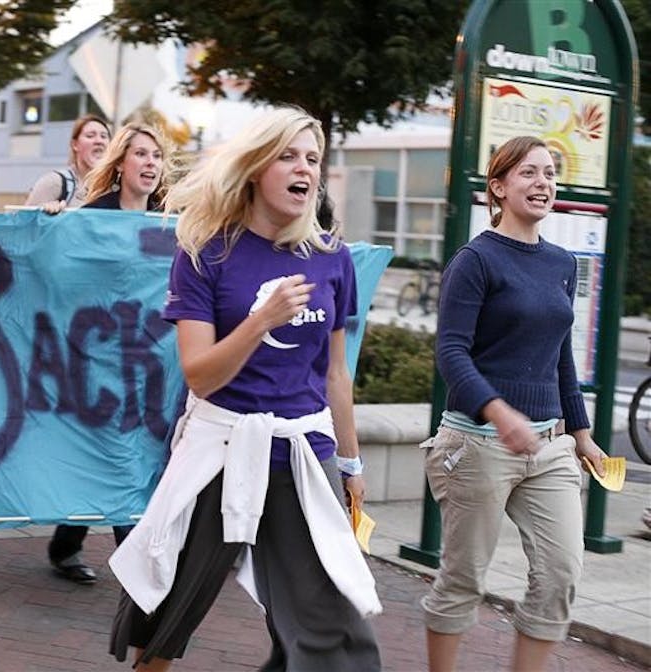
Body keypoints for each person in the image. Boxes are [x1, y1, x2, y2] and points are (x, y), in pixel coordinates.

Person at [108, 107, 382, 671]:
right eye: (288, 155)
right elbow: (199, 375)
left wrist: (350, 464)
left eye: (312, 158)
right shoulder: (205, 252)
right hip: (220, 451)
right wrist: (261, 321)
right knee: (166, 616)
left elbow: (335, 373)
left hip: (304, 455)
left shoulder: (331, 257)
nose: (303, 168)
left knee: (332, 624)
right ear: (256, 168)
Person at [421, 135, 607, 672]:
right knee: (462, 580)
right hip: (476, 444)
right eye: (528, 173)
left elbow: (559, 354)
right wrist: (499, 411)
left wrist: (582, 432)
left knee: (559, 576)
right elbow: (451, 352)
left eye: (549, 174)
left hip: (549, 447)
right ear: (498, 187)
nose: (542, 183)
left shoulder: (561, 263)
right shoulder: (475, 260)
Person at [45, 122, 173, 586]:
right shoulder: (92, 215)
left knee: (129, 453)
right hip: (95, 358)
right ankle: (132, 558)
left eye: (157, 156)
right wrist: (54, 223)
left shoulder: (169, 221)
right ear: (120, 164)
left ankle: (66, 546)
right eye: (141, 154)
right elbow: (59, 272)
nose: (151, 163)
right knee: (114, 453)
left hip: (148, 362)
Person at [24, 113, 110, 213]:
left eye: (104, 136)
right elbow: (22, 223)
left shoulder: (116, 189)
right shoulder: (54, 183)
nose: (99, 141)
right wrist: (44, 214)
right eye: (90, 136)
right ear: (75, 144)